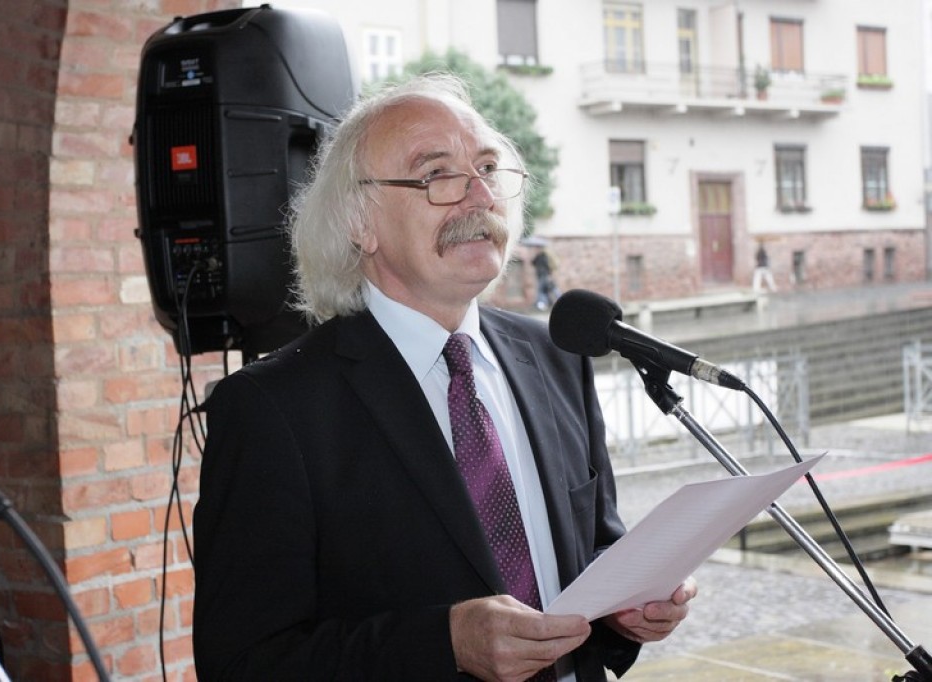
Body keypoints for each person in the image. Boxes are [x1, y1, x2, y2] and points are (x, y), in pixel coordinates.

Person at [192, 74, 696, 681]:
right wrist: (445, 643)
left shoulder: (556, 355)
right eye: (436, 175)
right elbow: (242, 662)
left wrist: (628, 605)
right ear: (360, 222)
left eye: (488, 168)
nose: (480, 196)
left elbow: (594, 548)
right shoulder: (272, 409)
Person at [531, 245, 562, 311]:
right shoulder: (539, 256)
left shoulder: (543, 256)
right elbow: (533, 262)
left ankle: (542, 304)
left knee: (542, 290)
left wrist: (549, 275)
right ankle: (556, 301)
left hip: (544, 275)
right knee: (550, 289)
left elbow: (546, 266)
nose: (536, 249)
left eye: (537, 248)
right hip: (545, 275)